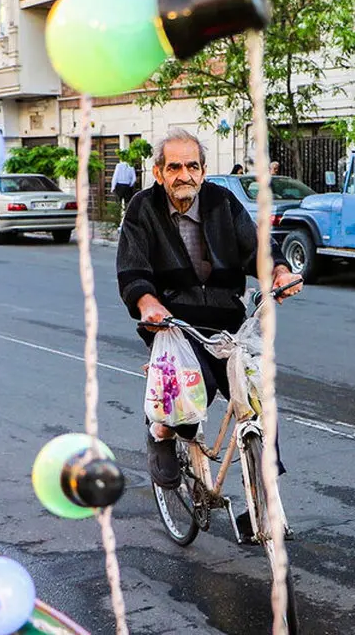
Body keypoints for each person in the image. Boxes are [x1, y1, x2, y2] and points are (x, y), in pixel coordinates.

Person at [117, 129, 303, 489]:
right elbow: (131, 269)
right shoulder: (143, 208)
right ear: (159, 173)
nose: (184, 175)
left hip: (228, 321)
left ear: (203, 170)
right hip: (173, 325)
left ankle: (264, 502)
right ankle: (162, 432)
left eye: (192, 166)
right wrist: (148, 302)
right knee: (189, 392)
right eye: (174, 167)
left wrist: (279, 272)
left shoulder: (222, 202)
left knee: (259, 400)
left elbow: (256, 250)